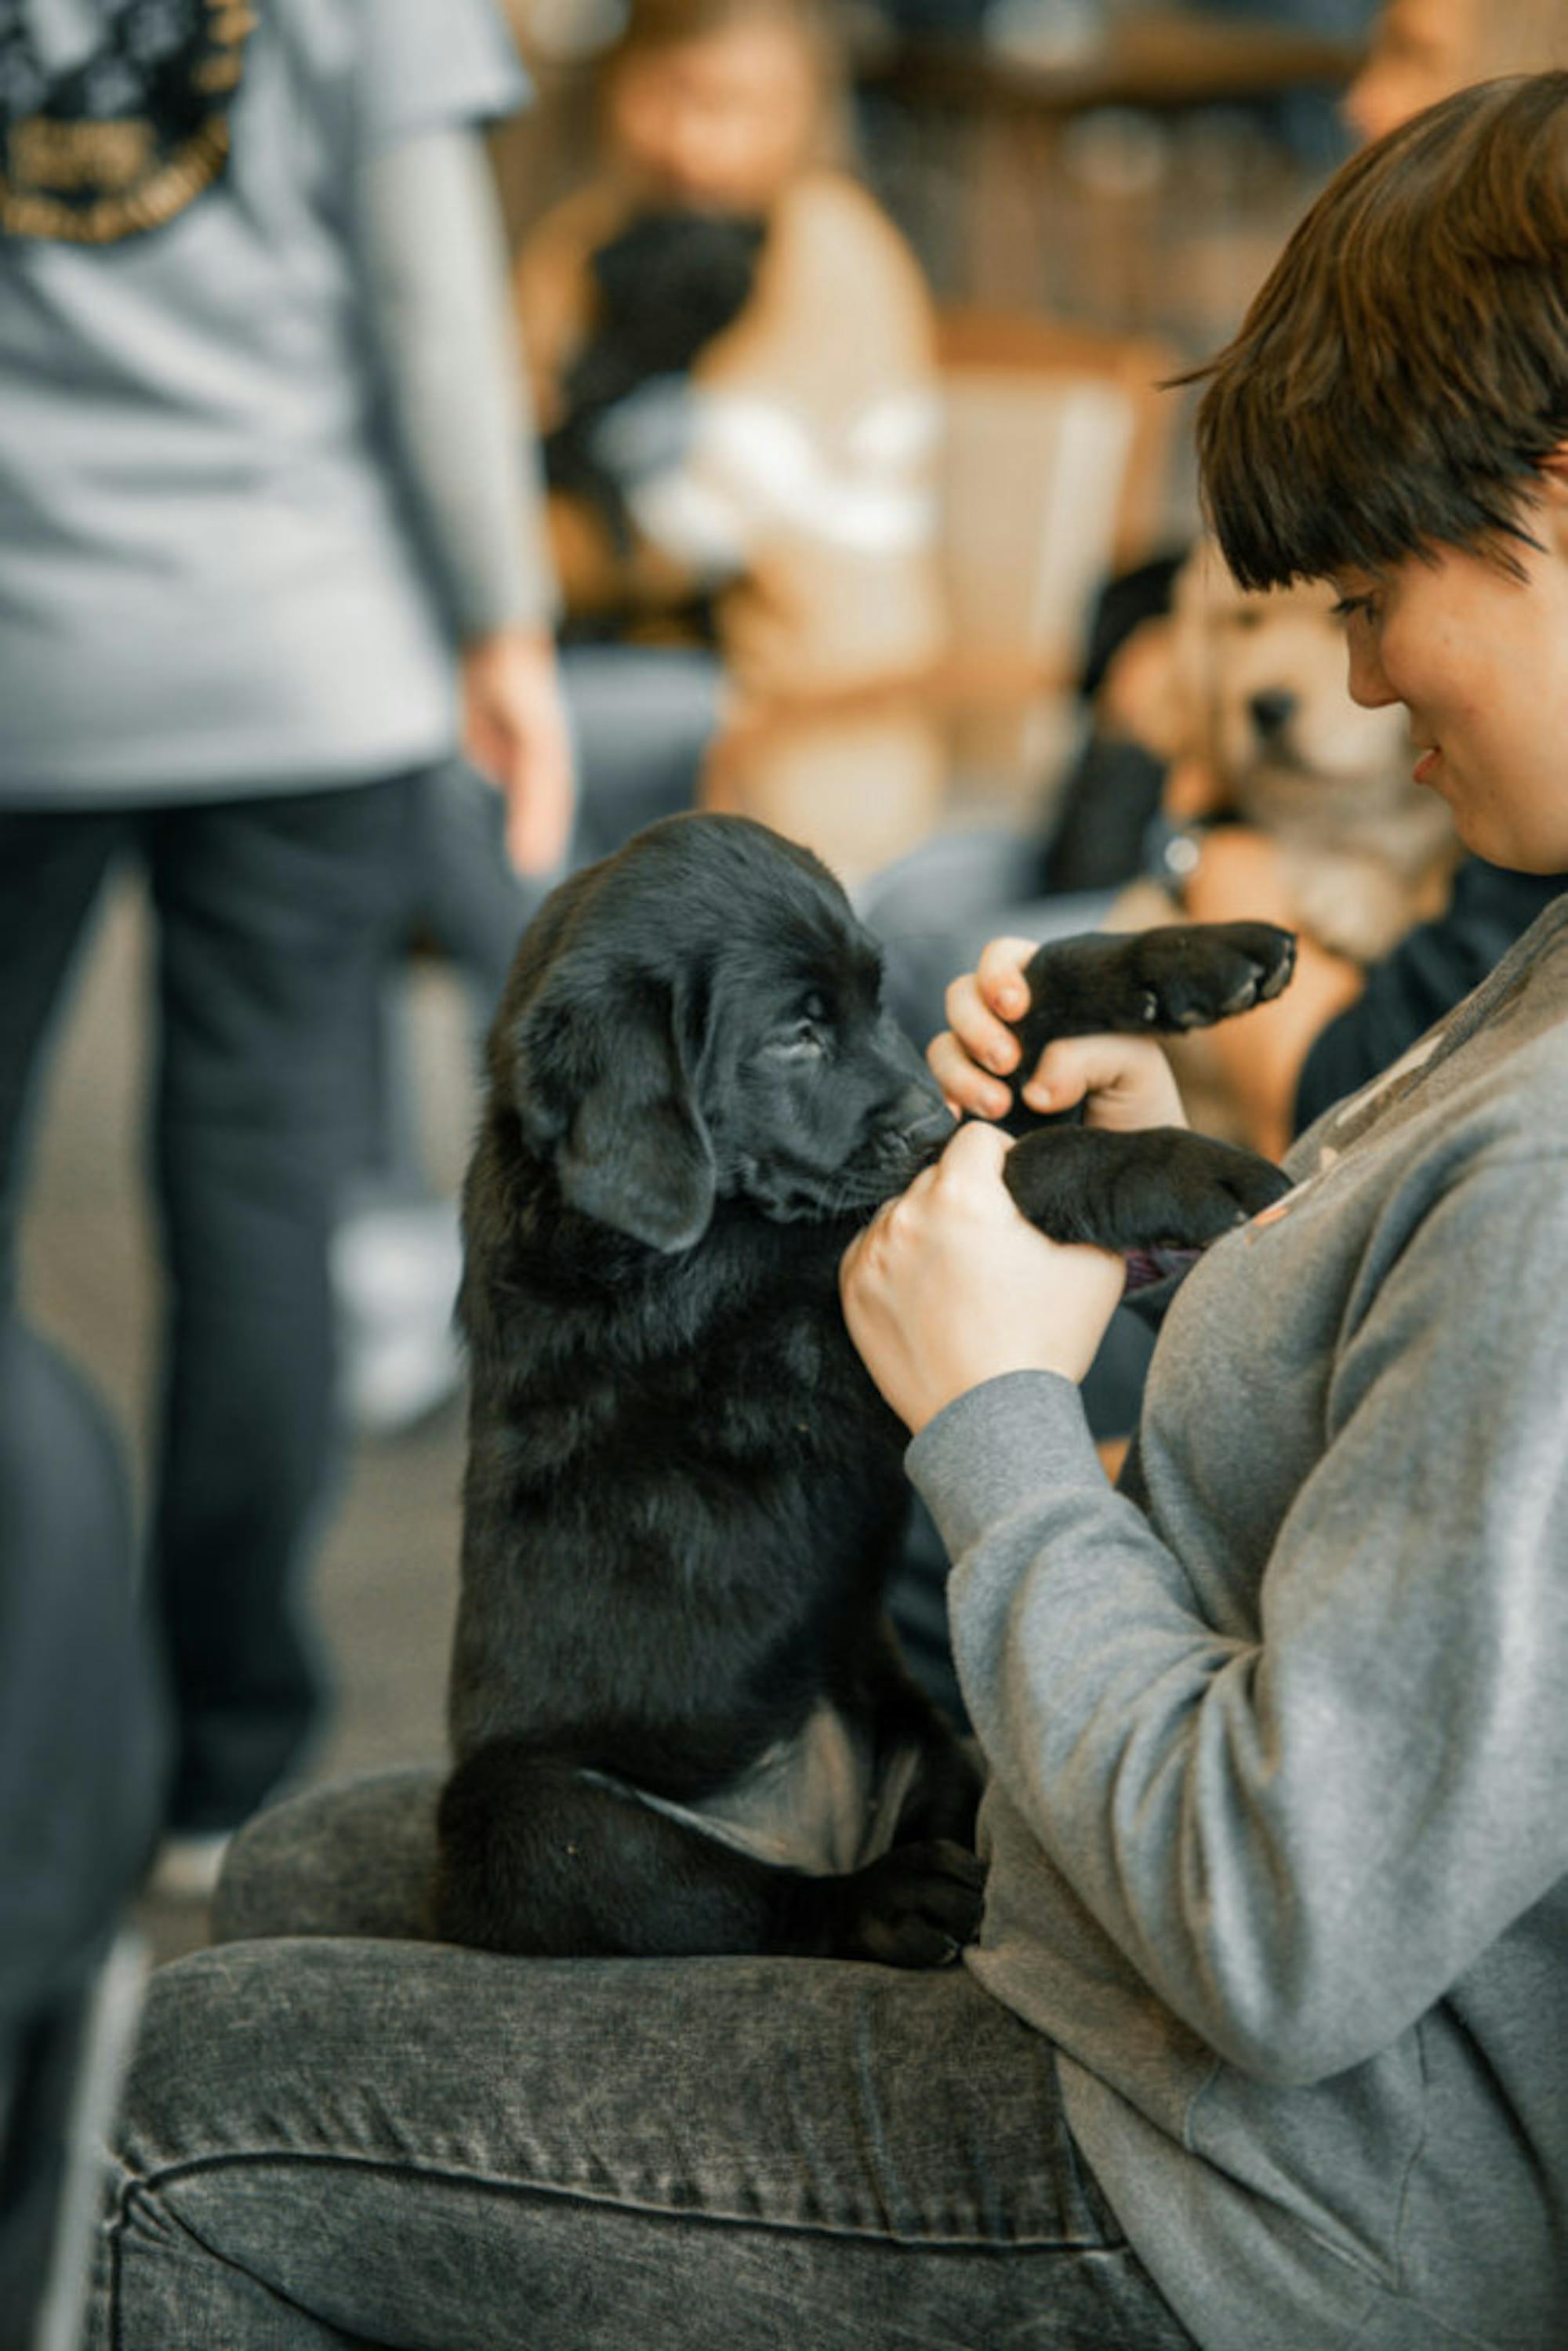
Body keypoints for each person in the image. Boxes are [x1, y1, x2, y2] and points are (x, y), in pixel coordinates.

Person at [83, 71, 1568, 2349]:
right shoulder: (1536, 958)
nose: (1353, 676)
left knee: (205, 2084)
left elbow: (1287, 1930)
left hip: (1241, 2189)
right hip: (1120, 1952)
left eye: (1379, 596)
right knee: (295, 1872)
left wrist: (986, 1415)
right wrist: (1165, 1199)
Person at [0, 0, 572, 1884]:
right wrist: (505, 627)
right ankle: (217, 1753)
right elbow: (431, 308)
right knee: (255, 1198)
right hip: (302, 652)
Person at [516, 0, 949, 882]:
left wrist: (496, 564)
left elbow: (687, 524)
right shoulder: (586, 242)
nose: (691, 142)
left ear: (802, 109)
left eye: (733, 105)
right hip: (630, 673)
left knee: (444, 763)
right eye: (665, 95)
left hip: (791, 715)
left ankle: (536, 1007)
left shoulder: (827, 250)